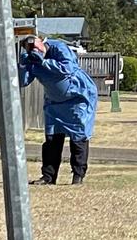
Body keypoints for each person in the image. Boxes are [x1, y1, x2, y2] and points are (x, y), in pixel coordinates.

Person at [18, 36, 98, 185]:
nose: (35, 50)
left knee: (78, 137)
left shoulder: (58, 47)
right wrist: (23, 66)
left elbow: (68, 69)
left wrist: (44, 61)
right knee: (52, 139)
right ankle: (48, 177)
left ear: (41, 41)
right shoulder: (31, 60)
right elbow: (23, 82)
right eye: (30, 48)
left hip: (78, 97)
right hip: (54, 103)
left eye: (36, 45)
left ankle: (78, 176)